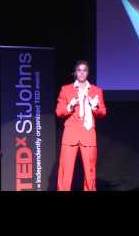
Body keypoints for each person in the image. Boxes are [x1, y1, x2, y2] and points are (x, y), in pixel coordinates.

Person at [55, 60, 107, 191]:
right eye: (79, 70)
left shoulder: (96, 91)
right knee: (65, 172)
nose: (82, 73)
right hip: (71, 135)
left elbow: (103, 113)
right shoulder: (66, 89)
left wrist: (95, 107)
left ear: (88, 73)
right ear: (75, 73)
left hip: (88, 134)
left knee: (90, 172)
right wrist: (70, 105)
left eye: (84, 70)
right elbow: (59, 112)